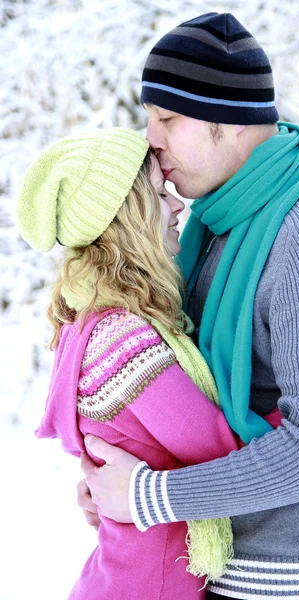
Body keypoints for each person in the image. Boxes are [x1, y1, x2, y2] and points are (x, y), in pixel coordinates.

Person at [78, 12, 299, 600]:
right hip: (215, 564)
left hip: (293, 584)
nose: (150, 138)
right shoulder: (215, 221)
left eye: (167, 118)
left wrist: (151, 497)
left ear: (226, 117)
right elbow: (195, 392)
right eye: (149, 117)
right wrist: (115, 482)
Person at [17, 127, 250, 599]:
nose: (178, 206)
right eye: (160, 194)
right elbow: (224, 449)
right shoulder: (121, 340)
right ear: (128, 215)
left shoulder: (91, 317)